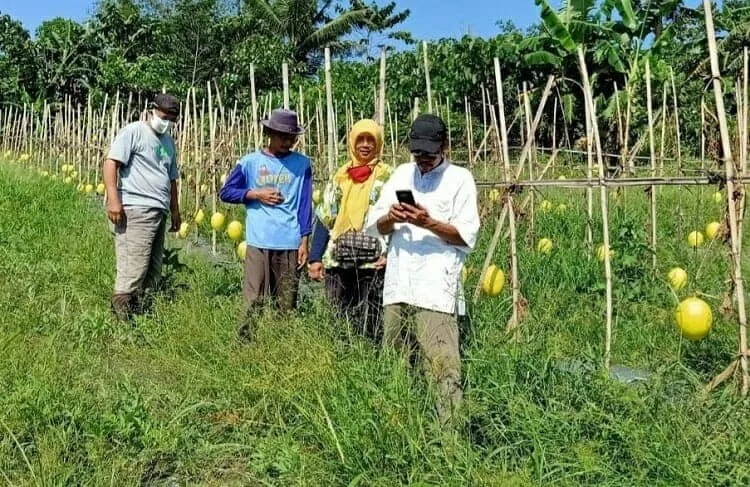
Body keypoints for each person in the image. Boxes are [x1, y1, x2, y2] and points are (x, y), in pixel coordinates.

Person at [365, 114, 480, 426]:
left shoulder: (460, 179)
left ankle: (449, 438)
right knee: (398, 361)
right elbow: (372, 225)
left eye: (429, 154)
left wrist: (427, 222)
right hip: (399, 284)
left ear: (445, 146)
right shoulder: (402, 175)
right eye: (418, 154)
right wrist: (393, 217)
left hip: (435, 290)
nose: (423, 161)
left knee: (443, 368)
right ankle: (405, 427)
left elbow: (466, 236)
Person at [219, 109, 313, 341]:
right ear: (269, 133)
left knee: (286, 302)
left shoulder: (302, 165)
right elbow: (226, 192)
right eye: (282, 136)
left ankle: (282, 345)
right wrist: (255, 193)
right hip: (259, 241)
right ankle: (244, 344)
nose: (287, 141)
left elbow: (304, 204)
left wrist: (304, 240)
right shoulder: (250, 162)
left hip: (289, 241)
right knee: (254, 299)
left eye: (292, 137)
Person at [308, 119, 391, 340]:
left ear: (379, 143)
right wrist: (315, 257)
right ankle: (341, 359)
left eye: (370, 140)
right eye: (360, 139)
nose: (365, 145)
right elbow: (326, 218)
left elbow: (399, 221)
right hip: (338, 258)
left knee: (370, 318)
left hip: (372, 260)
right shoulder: (340, 176)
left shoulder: (388, 177)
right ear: (353, 142)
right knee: (338, 316)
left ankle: (368, 361)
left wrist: (390, 254)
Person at [104, 93, 182, 321]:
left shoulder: (168, 141)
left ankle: (140, 316)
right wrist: (113, 199)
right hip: (136, 209)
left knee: (152, 270)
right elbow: (111, 163)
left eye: (172, 119)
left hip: (159, 210)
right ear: (152, 110)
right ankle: (120, 323)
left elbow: (172, 178)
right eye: (164, 116)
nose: (166, 122)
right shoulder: (134, 131)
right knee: (133, 268)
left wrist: (175, 210)